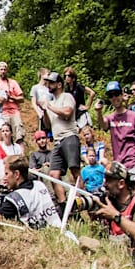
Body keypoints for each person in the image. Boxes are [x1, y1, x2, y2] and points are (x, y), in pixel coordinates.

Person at [96, 162, 135, 269]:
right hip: (116, 263)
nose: (104, 184)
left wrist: (115, 216)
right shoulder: (109, 202)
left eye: (109, 180)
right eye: (105, 180)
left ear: (121, 184)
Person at [0, 155, 56, 227]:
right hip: (57, 229)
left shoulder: (16, 197)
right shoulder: (39, 184)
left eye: (6, 174)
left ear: (17, 174)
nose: (5, 178)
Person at [43, 71, 80, 200]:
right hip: (57, 141)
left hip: (69, 137)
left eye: (51, 83)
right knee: (53, 174)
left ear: (59, 84)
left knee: (75, 170)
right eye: (48, 83)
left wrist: (50, 107)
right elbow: (48, 125)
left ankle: (81, 200)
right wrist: (45, 111)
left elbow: (67, 112)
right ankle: (63, 202)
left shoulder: (66, 97)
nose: (48, 85)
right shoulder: (52, 102)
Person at [0, 61, 25, 142]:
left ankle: (20, 149)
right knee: (4, 136)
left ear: (7, 71)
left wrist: (12, 97)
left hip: (14, 111)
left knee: (19, 134)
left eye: (4, 69)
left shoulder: (12, 82)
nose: (3, 71)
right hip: (2, 113)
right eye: (1, 69)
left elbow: (22, 99)